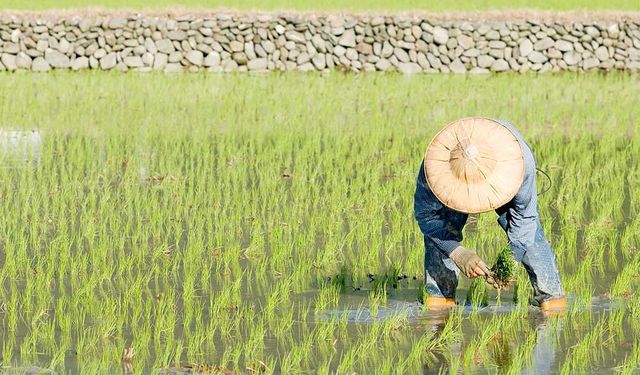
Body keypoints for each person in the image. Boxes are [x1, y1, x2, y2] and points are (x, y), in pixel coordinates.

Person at [414, 117, 566, 311]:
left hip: (506, 175)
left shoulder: (520, 164)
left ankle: (553, 302)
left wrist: (510, 260)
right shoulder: (433, 170)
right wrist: (457, 252)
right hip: (450, 181)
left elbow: (524, 219)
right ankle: (439, 303)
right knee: (440, 230)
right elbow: (427, 217)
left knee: (529, 235)